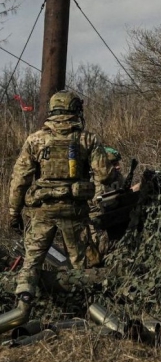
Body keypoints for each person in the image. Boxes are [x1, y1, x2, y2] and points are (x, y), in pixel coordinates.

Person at [6, 90, 113, 305]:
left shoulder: (35, 140)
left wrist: (13, 213)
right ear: (75, 110)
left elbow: (19, 180)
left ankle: (23, 303)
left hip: (43, 211)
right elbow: (105, 175)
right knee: (80, 265)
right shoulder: (87, 139)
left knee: (32, 262)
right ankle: (85, 308)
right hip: (75, 212)